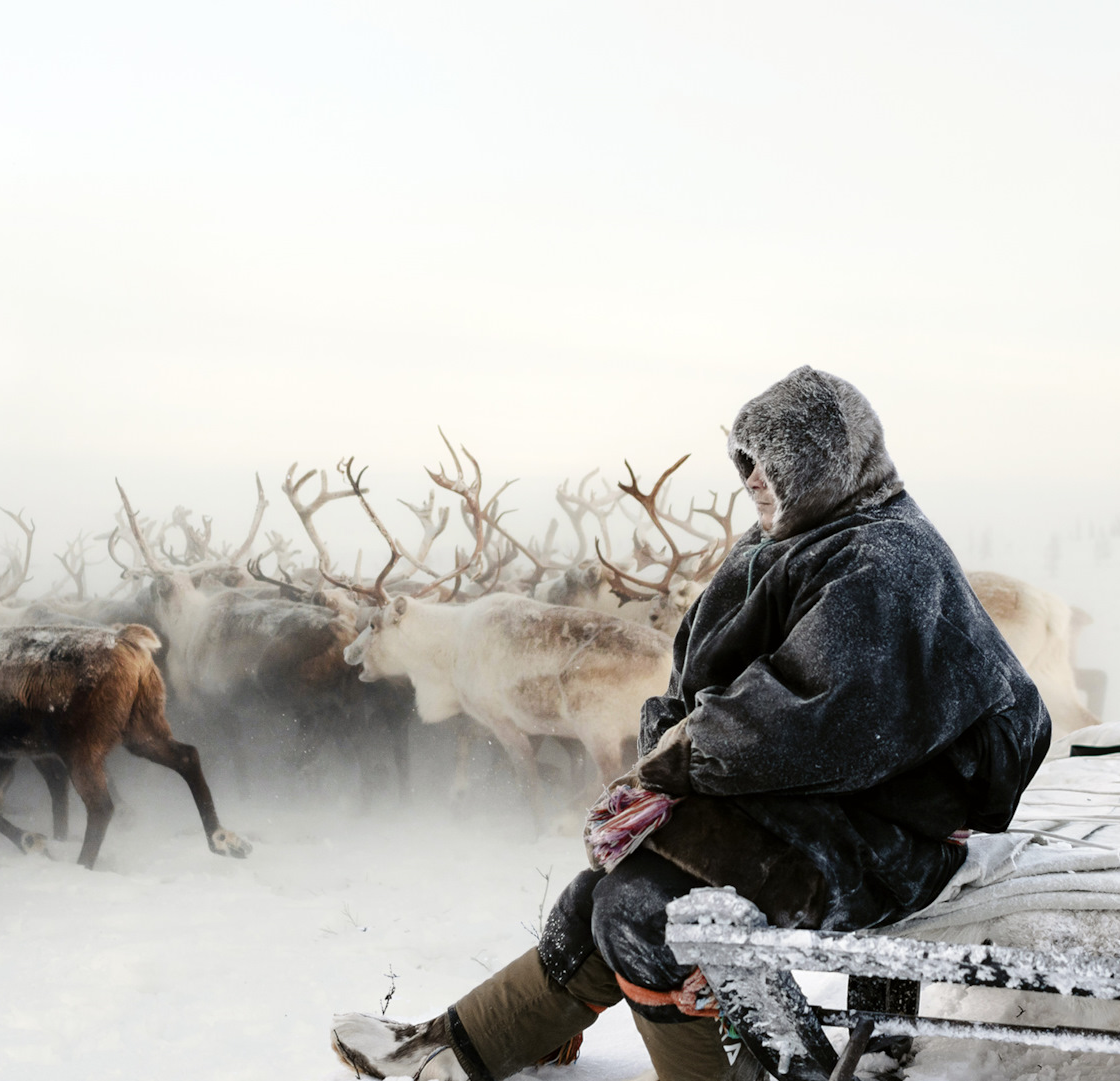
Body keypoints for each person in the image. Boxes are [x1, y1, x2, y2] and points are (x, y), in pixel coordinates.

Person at [331, 367, 1051, 1081]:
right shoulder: (796, 538)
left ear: (825, 462)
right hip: (821, 811)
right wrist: (670, 758)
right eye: (749, 464)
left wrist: (669, 766)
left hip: (894, 839)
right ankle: (457, 1051)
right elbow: (698, 679)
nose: (756, 481)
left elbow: (809, 717)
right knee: (604, 891)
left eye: (773, 464)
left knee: (642, 909)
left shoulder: (885, 560)